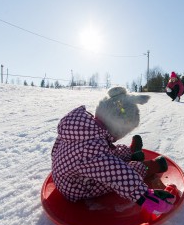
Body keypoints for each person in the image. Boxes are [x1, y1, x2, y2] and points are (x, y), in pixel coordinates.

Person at [51, 86, 175, 215]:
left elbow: (56, 151)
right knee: (127, 168)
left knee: (109, 152)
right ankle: (151, 166)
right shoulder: (91, 152)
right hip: (78, 187)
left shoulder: (80, 128)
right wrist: (144, 195)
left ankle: (130, 152)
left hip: (65, 176)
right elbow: (117, 174)